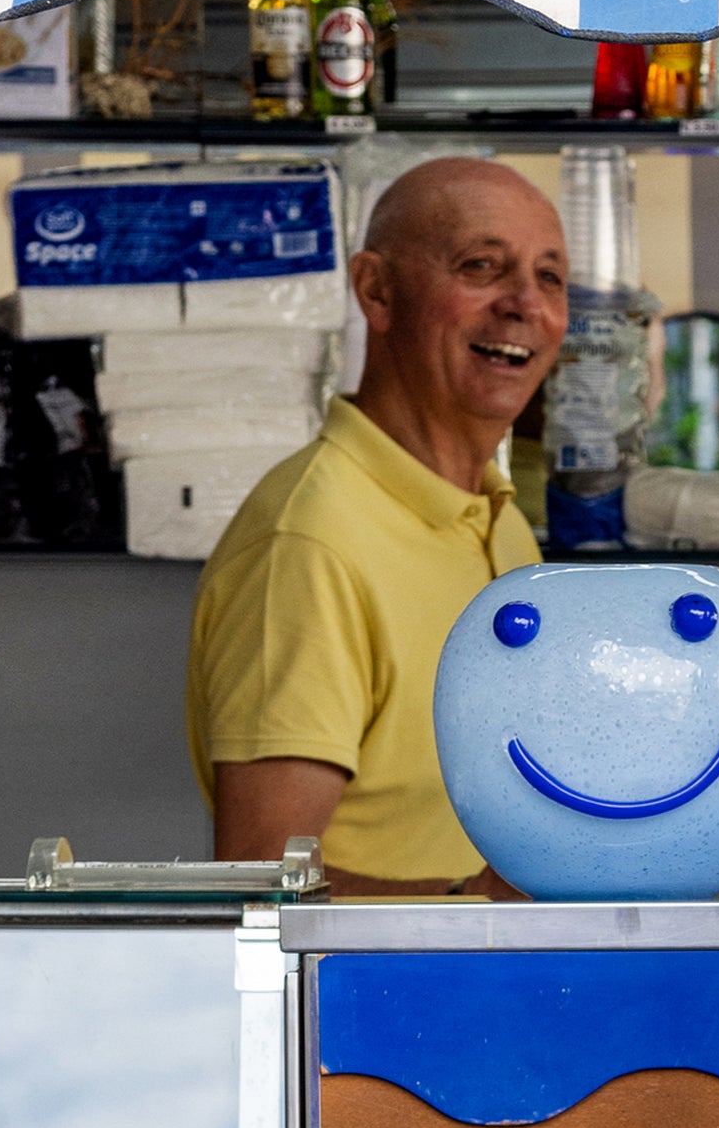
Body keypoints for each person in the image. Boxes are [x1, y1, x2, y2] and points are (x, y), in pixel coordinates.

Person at [190, 156, 568, 894]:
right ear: (377, 290)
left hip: (492, 989)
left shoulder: (501, 520)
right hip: (370, 1004)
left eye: (550, 277)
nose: (525, 302)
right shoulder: (309, 542)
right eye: (482, 266)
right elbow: (259, 889)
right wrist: (477, 909)